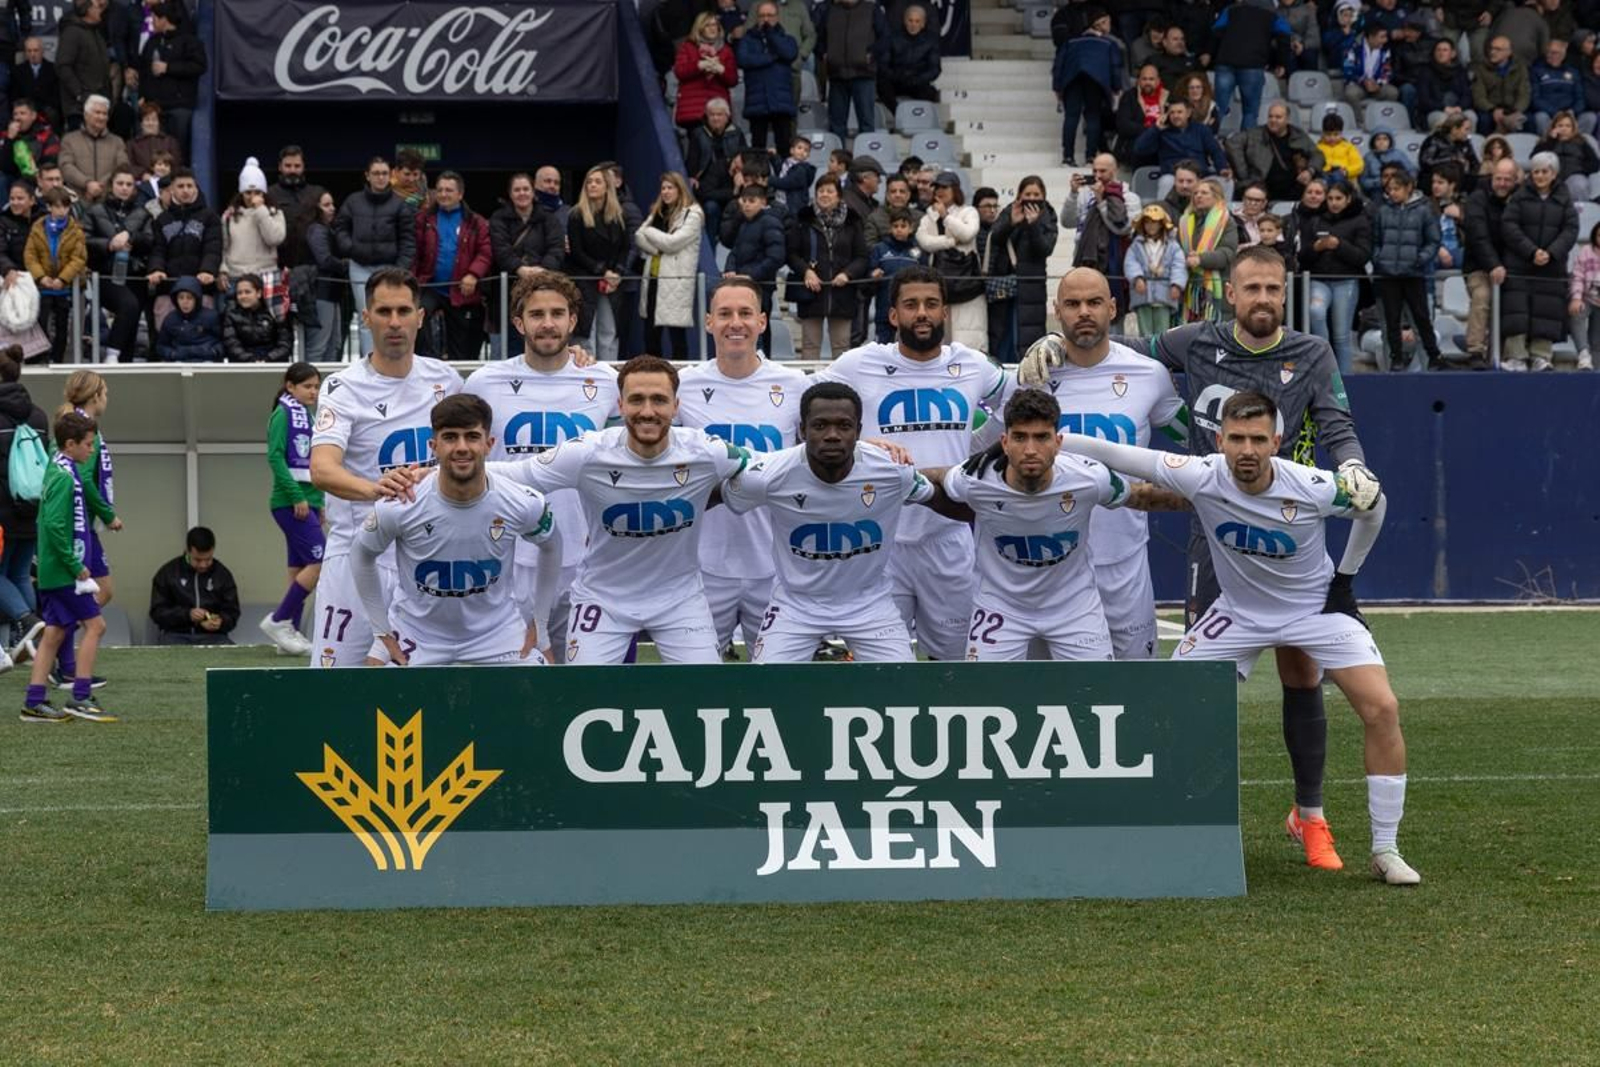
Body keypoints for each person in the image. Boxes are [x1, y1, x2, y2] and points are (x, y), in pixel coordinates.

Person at [1022, 245, 1384, 872]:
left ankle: (1312, 816)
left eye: (1274, 289)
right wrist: (1052, 343)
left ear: (1284, 294)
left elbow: (1336, 422)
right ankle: (1192, 818)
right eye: (1252, 289)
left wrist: (1349, 463)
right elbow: (1115, 346)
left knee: (1300, 673)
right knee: (1203, 685)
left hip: (1286, 528)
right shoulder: (1194, 342)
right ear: (1232, 294)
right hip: (1214, 529)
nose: (1264, 299)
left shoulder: (1311, 353)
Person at [1060, 390, 1419, 886]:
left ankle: (1385, 850)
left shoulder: (1313, 485)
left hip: (1316, 610)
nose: (1246, 450)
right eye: (1235, 439)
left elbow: (1372, 507)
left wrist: (1345, 579)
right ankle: (1161, 832)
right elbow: (1124, 455)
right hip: (1238, 615)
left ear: (1276, 442)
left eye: (1256, 439)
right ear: (1218, 439)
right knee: (1167, 707)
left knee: (1382, 708)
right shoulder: (1200, 474)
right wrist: (1058, 439)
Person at [440, 355, 749, 664]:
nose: (647, 411)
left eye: (659, 400)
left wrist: (727, 494)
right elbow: (516, 474)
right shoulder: (588, 453)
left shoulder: (706, 451)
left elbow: (768, 468)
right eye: (636, 400)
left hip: (680, 599)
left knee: (703, 690)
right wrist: (425, 475)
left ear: (676, 406)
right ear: (621, 405)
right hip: (604, 599)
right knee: (584, 694)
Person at [812, 267, 1014, 660]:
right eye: (911, 305)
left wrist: (977, 449)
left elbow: (1015, 406)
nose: (921, 313)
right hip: (879, 543)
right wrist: (858, 443)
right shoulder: (859, 363)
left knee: (956, 665)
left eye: (931, 304)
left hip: (951, 538)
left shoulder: (972, 365)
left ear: (945, 314)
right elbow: (802, 411)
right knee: (880, 668)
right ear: (892, 316)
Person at [994, 268, 1187, 660]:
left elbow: (1192, 438)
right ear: (1056, 311)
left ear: (1112, 308)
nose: (1084, 312)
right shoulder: (1031, 376)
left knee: (1133, 687)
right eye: (1073, 303)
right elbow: (983, 444)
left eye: (1094, 302)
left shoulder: (1149, 375)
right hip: (1044, 564)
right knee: (1042, 694)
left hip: (1122, 563)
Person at [308, 268, 462, 668]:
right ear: (366, 317)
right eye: (384, 311)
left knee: (416, 693)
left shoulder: (446, 380)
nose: (394, 322)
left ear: (420, 317)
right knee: (334, 686)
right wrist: (376, 488)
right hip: (359, 558)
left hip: (426, 560)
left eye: (404, 311)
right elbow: (323, 470)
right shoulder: (344, 386)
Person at [720, 380, 938, 662]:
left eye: (844, 426)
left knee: (900, 687)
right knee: (768, 689)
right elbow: (715, 494)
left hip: (869, 603)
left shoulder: (893, 471)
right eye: (820, 426)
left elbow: (935, 493)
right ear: (802, 430)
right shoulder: (768, 475)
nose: (832, 435)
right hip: (796, 604)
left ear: (859, 431)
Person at [463, 271, 617, 663]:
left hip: (587, 560)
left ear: (573, 320)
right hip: (506, 559)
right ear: (518, 323)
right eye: (536, 315)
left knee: (584, 677)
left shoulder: (606, 381)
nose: (547, 323)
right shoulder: (484, 382)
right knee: (515, 678)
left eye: (557, 313)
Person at [353, 393, 562, 667]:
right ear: (433, 446)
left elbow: (552, 545)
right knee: (375, 686)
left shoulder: (522, 501)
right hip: (417, 633)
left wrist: (540, 623)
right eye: (450, 437)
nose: (461, 447)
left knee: (541, 687)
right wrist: (381, 631)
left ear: (489, 444)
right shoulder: (401, 503)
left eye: (472, 437)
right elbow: (360, 554)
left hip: (496, 634)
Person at [940, 388, 1136, 661]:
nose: (1031, 450)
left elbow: (1142, 496)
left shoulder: (1091, 479)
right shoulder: (973, 479)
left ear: (1058, 441)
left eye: (1041, 437)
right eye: (1020, 437)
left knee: (1098, 694)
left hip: (1075, 606)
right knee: (982, 696)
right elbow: (935, 480)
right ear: (1004, 442)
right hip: (1000, 607)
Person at [676, 278, 806, 657]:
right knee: (696, 681)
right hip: (700, 565)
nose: (736, 323)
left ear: (763, 322)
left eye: (746, 313)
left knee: (775, 680)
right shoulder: (683, 384)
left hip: (775, 565)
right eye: (725, 314)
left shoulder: (794, 384)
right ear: (708, 322)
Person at [20, 410, 114, 722]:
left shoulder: (61, 469)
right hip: (62, 573)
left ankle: (34, 702)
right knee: (96, 626)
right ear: (70, 444)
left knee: (55, 633)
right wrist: (76, 566)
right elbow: (54, 527)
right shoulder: (63, 476)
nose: (92, 449)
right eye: (88, 444)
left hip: (55, 571)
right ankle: (80, 696)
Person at [257, 363, 323, 655]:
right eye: (308, 386)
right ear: (290, 386)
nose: (314, 391)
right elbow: (275, 457)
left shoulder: (307, 415)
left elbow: (312, 466)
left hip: (304, 502)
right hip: (289, 503)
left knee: (299, 570)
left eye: (316, 386)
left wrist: (317, 503)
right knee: (321, 562)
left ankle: (289, 637)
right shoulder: (283, 413)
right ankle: (279, 620)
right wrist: (298, 496)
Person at [1500, 152, 1579, 372]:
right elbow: (1509, 226)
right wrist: (1531, 251)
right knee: (1517, 309)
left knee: (1547, 310)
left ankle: (1541, 356)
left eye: (1545, 171)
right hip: (1520, 264)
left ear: (1554, 174)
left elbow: (1571, 230)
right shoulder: (1519, 196)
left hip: (1551, 267)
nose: (1540, 175)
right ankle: (1515, 355)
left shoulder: (1564, 198)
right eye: (1536, 171)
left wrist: (1551, 252)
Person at [335, 158, 416, 355]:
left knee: (391, 316)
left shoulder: (400, 204)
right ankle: (369, 363)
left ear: (391, 176)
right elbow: (340, 228)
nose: (380, 177)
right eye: (376, 173)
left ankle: (391, 359)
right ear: (367, 175)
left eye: (384, 173)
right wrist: (351, 248)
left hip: (390, 268)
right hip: (360, 267)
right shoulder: (353, 201)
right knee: (367, 318)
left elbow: (408, 240)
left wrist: (400, 269)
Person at [409, 171, 491, 361]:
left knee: (462, 348)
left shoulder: (476, 222)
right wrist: (410, 280)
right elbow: (414, 251)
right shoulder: (423, 219)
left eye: (449, 190)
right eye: (440, 190)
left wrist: (473, 274)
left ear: (460, 194)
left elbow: (485, 252)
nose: (444, 194)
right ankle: (428, 362)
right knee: (415, 319)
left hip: (462, 291)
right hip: (429, 286)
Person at [785, 174, 868, 359]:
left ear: (838, 195)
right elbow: (791, 254)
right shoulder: (803, 219)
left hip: (842, 292)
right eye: (820, 191)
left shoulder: (852, 222)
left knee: (841, 347)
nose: (824, 195)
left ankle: (840, 386)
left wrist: (847, 274)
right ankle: (808, 386)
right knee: (810, 344)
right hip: (811, 292)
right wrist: (806, 271)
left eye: (829, 191)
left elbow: (862, 257)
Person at [0, 346, 47, 661]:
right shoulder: (39, 415)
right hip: (32, 510)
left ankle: (27, 621)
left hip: (2, 514)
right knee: (18, 574)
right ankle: (36, 630)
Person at [1371, 170, 1444, 371]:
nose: (1392, 193)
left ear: (1408, 187)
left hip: (1413, 273)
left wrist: (1419, 260)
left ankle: (1434, 355)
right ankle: (1396, 357)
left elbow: (1434, 240)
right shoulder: (1383, 211)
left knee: (1421, 318)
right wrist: (1379, 259)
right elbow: (1375, 241)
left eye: (1397, 188)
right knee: (1392, 319)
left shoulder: (1424, 210)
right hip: (1388, 274)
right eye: (1390, 189)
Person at [1301, 178, 1371, 373]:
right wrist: (1316, 247)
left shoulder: (1360, 220)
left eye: (1338, 198)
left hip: (1346, 282)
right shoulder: (1315, 219)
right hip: (1319, 279)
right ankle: (1327, 372)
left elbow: (1362, 256)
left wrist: (1338, 245)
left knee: (1341, 335)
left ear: (1348, 199)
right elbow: (1303, 255)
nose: (1333, 202)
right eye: (1330, 198)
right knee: (1315, 311)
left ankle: (1345, 382)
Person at [81, 166, 149, 361]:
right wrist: (109, 245)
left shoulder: (143, 213)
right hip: (104, 274)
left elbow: (151, 240)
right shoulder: (95, 211)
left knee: (132, 323)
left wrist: (132, 238)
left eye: (129, 184)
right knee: (128, 305)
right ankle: (111, 354)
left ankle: (123, 364)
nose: (124, 188)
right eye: (120, 183)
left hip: (134, 273)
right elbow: (84, 241)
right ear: (111, 186)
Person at [634, 172, 705, 359]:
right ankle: (652, 374)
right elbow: (638, 236)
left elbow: (673, 243)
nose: (665, 192)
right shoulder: (657, 211)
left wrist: (650, 233)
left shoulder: (693, 214)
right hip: (653, 277)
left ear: (680, 189)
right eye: (663, 188)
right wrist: (658, 250)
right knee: (650, 334)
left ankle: (679, 377)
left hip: (675, 281)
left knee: (677, 335)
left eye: (670, 188)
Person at [914, 173, 987, 351]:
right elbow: (924, 241)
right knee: (942, 338)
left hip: (967, 283)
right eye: (937, 188)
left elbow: (968, 233)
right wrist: (949, 242)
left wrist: (946, 217)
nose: (940, 191)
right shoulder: (928, 216)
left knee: (968, 336)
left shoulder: (968, 211)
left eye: (945, 187)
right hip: (940, 281)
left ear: (955, 189)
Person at [988, 177, 1059, 355]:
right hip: (1008, 285)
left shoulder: (1048, 214)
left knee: (1030, 337)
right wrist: (1011, 222)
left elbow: (1045, 249)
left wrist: (1033, 225)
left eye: (1036, 194)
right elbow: (995, 238)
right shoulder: (1010, 210)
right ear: (1020, 195)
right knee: (1004, 336)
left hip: (1032, 285)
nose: (1032, 198)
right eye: (1027, 194)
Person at [565, 165, 629, 362]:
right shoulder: (576, 215)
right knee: (587, 332)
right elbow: (576, 252)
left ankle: (609, 373)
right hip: (585, 280)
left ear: (607, 187)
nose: (592, 185)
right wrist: (603, 271)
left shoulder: (618, 215)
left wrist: (617, 273)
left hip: (611, 284)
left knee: (608, 330)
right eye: (589, 182)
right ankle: (588, 374)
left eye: (597, 182)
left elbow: (625, 248)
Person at [1460, 158, 1518, 368]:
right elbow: (1478, 236)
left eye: (1507, 179)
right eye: (1498, 178)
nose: (1502, 183)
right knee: (1483, 296)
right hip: (1479, 266)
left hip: (1512, 267)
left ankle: (1502, 354)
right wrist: (1493, 264)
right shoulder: (1477, 198)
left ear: (1515, 180)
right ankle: (1475, 350)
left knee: (1511, 305)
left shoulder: (1520, 199)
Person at [1052, 7, 1126, 165]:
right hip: (1095, 81)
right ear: (1102, 23)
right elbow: (1115, 66)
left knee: (1071, 117)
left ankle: (1068, 157)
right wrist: (1116, 87)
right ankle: (1091, 156)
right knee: (1093, 116)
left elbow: (1058, 64)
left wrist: (1057, 87)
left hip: (1072, 80)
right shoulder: (1108, 44)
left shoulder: (1071, 42)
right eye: (1108, 23)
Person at [147, 525, 239, 645]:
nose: (203, 565)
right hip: (175, 636)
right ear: (188, 551)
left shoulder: (222, 575)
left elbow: (232, 611)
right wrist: (187, 615)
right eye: (197, 560)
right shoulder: (168, 573)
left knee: (231, 657)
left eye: (208, 559)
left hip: (214, 637)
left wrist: (221, 622)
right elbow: (157, 612)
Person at [132, 3, 205, 153]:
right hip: (154, 108)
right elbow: (144, 70)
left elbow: (199, 66)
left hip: (179, 107)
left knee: (177, 149)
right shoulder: (151, 42)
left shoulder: (189, 41)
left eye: (154, 19)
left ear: (164, 19)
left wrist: (169, 68)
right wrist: (142, 96)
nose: (152, 23)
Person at [25, 187, 86, 362]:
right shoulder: (37, 228)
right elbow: (30, 255)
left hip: (64, 289)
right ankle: (40, 359)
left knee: (62, 328)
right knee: (41, 325)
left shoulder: (76, 230)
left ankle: (58, 360)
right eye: (57, 206)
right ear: (49, 207)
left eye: (65, 207)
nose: (62, 211)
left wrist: (62, 278)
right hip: (43, 288)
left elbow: (79, 258)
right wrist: (41, 277)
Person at [1209, 0, 1291, 130]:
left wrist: (1213, 56)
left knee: (1217, 108)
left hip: (1226, 62)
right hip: (1253, 64)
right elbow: (1285, 35)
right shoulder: (1273, 14)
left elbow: (1216, 31)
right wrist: (1281, 63)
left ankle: (1208, 142)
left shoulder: (1231, 10)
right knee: (1250, 113)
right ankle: (1246, 147)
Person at [220, 159, 287, 314]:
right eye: (248, 193)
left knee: (268, 323)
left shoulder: (273, 213)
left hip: (265, 275)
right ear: (241, 193)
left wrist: (260, 210)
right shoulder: (229, 216)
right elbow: (223, 245)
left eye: (257, 192)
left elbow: (275, 238)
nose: (252, 197)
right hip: (236, 276)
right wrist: (222, 269)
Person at [1224, 101, 1323, 202]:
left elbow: (1318, 155)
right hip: (1261, 185)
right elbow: (1232, 143)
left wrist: (1310, 171)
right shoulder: (1255, 134)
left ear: (1287, 119)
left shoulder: (1298, 135)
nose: (1273, 120)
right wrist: (1243, 173)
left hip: (1293, 187)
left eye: (1278, 117)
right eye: (1270, 116)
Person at [819, 0, 888, 142]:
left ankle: (865, 160)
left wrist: (871, 55)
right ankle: (838, 160)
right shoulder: (829, 10)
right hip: (837, 75)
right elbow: (819, 37)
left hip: (864, 74)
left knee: (866, 123)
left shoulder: (872, 9)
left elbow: (885, 38)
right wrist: (824, 54)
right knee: (836, 125)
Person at [737, 1, 800, 153]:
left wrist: (771, 34)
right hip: (757, 100)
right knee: (757, 148)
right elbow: (744, 60)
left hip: (781, 100)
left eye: (770, 15)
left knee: (784, 146)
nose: (766, 19)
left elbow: (789, 53)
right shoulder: (747, 39)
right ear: (756, 17)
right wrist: (771, 58)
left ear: (777, 17)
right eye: (762, 15)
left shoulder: (787, 38)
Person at [1178, 178, 1238, 323]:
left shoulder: (1227, 222)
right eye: (1196, 193)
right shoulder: (1184, 223)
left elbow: (1228, 253)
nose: (1198, 196)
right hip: (1188, 286)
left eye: (1204, 193)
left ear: (1217, 197)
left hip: (1218, 287)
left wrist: (1200, 259)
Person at [1124, 204, 1187, 336]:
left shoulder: (1173, 246)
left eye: (1155, 222)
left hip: (1164, 293)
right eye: (1147, 222)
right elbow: (1130, 263)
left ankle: (1160, 354)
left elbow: (1179, 265)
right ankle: (1145, 354)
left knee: (1162, 331)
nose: (1151, 226)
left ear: (1162, 224)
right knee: (1144, 330)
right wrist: (1137, 278)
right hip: (1142, 293)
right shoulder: (1136, 245)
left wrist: (1176, 284)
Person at [674, 12, 739, 133]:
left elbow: (733, 79)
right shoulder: (687, 47)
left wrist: (721, 69)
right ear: (699, 28)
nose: (712, 28)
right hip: (693, 108)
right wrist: (699, 65)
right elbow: (679, 71)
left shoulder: (726, 50)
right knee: (697, 147)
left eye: (715, 25)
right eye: (708, 25)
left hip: (717, 109)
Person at [301, 190, 346, 362]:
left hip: (329, 292)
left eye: (332, 204)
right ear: (316, 208)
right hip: (321, 292)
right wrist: (347, 264)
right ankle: (313, 386)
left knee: (331, 344)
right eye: (326, 205)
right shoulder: (317, 230)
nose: (332, 209)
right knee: (320, 346)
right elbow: (324, 260)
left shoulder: (324, 229)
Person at [54, 0, 112, 133]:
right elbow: (62, 66)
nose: (100, 11)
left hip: (98, 104)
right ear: (88, 10)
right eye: (97, 7)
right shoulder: (72, 32)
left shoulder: (96, 33)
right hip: (78, 108)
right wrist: (79, 93)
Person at [1134, 99, 1230, 176]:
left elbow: (1215, 151)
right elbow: (1139, 149)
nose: (1175, 116)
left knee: (1226, 182)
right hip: (1172, 175)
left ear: (1188, 113)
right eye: (1172, 113)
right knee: (1166, 182)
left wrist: (1222, 168)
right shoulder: (1161, 132)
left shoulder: (1201, 129)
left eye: (1179, 112)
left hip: (1199, 175)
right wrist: (1155, 129)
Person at [58, 94, 127, 200]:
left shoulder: (117, 142)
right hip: (78, 199)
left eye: (105, 114)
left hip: (108, 200)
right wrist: (87, 183)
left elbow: (122, 166)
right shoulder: (69, 140)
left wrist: (100, 186)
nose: (102, 117)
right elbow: (65, 166)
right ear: (86, 115)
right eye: (97, 113)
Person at [870, 207, 922, 344]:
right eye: (895, 226)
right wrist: (873, 274)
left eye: (903, 226)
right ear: (890, 228)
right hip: (884, 308)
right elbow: (869, 272)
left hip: (911, 309)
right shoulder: (879, 249)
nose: (899, 229)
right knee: (882, 346)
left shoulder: (917, 251)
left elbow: (925, 275)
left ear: (911, 228)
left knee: (910, 344)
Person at [1413, 37, 1476, 133]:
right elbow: (1424, 99)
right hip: (1435, 110)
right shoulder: (1425, 71)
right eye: (1438, 50)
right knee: (1441, 119)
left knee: (1471, 116)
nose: (1441, 53)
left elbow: (1467, 95)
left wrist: (1459, 107)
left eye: (1445, 50)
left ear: (1453, 54)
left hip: (1457, 109)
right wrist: (1444, 108)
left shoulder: (1460, 71)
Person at [1533, 110, 1600, 201]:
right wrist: (1550, 141)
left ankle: (1582, 212)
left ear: (1573, 129)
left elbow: (1595, 164)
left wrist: (1579, 169)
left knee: (1579, 184)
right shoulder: (1546, 142)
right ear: (1554, 127)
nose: (1564, 129)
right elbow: (1534, 159)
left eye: (1568, 126)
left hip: (1575, 176)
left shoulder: (1581, 142)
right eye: (1560, 125)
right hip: (1551, 177)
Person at [221, 273, 289, 362]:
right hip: (242, 364)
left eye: (247, 292)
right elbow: (231, 344)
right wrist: (251, 360)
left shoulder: (274, 311)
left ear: (259, 293)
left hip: (272, 363)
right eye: (239, 293)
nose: (243, 296)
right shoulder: (231, 313)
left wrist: (268, 359)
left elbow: (285, 344)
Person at [1473, 36, 1532, 134]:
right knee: (1484, 121)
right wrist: (1492, 109)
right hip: (1490, 109)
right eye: (1491, 48)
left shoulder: (1520, 68)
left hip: (1513, 108)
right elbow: (1478, 96)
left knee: (1530, 120)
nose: (1492, 52)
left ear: (1508, 52)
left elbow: (1524, 94)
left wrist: (1515, 110)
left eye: (1498, 49)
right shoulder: (1481, 69)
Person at [154, 275, 220, 361]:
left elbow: (221, 341)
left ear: (196, 299)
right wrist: (172, 354)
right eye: (181, 298)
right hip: (179, 362)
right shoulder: (170, 319)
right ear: (176, 299)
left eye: (189, 298)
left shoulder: (211, 316)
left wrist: (214, 352)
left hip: (206, 361)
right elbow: (161, 345)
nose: (185, 302)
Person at [1116, 63, 1169, 166]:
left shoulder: (1167, 97)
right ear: (1138, 81)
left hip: (1163, 143)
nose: (1147, 82)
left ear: (1158, 81)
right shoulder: (1130, 96)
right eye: (1144, 79)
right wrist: (1153, 130)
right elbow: (1124, 125)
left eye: (1151, 79)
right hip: (1136, 143)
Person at [1, 100, 59, 191]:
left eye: (22, 113)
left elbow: (50, 163)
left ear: (33, 116)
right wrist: (9, 140)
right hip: (15, 180)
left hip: (38, 180)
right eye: (15, 114)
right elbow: (5, 167)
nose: (18, 118)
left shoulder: (46, 135)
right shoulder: (8, 136)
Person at [1417, 113, 1480, 195]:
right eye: (1466, 129)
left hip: (1459, 178)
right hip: (1434, 178)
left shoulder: (1465, 143)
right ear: (1455, 129)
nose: (1468, 133)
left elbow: (1475, 163)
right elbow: (1426, 162)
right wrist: (1451, 159)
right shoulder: (1435, 140)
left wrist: (1467, 167)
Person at [265, 145, 323, 227]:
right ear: (280, 167)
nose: (292, 170)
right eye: (288, 166)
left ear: (303, 167)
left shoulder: (317, 194)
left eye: (297, 166)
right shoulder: (269, 194)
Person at [1342, 23, 1399, 107]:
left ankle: (1383, 118)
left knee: (1392, 92)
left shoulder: (1385, 50)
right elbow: (1348, 70)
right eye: (1382, 37)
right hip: (1358, 85)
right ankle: (1359, 120)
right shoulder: (1352, 47)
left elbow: (1387, 71)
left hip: (1376, 86)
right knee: (1350, 94)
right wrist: (1363, 82)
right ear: (1371, 37)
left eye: (1386, 37)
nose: (1385, 40)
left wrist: (1378, 84)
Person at [1569, 221, 1600, 372]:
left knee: (1597, 340)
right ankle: (1583, 353)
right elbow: (1577, 276)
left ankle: (1594, 367)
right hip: (1586, 298)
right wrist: (1576, 298)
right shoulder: (1586, 251)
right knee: (1577, 313)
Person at [10, 37, 58, 134]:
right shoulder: (17, 71)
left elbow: (56, 96)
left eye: (36, 50)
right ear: (25, 53)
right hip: (25, 112)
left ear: (42, 51)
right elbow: (14, 96)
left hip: (47, 113)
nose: (32, 54)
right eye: (29, 51)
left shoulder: (53, 69)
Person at [1360, 128, 1413, 199]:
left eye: (1385, 139)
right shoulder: (1368, 158)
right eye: (1378, 139)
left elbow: (1411, 171)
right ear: (1373, 142)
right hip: (1378, 191)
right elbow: (1363, 181)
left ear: (1390, 141)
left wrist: (1400, 180)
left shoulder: (1399, 154)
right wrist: (1379, 182)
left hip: (1399, 188)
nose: (1381, 142)